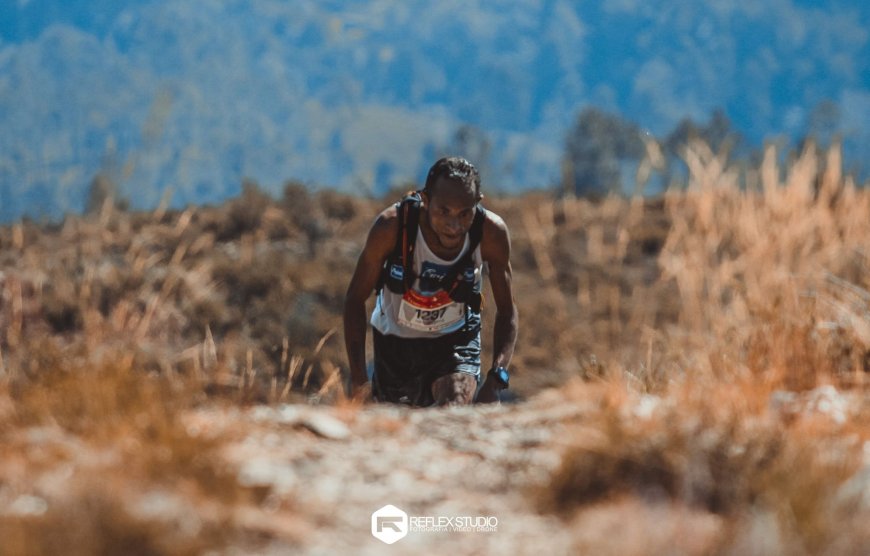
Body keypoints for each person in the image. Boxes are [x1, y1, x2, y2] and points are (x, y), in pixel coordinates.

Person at [343, 157, 518, 406]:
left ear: (478, 203)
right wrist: (359, 381)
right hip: (395, 346)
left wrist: (496, 379)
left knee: (454, 405)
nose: (454, 225)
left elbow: (508, 310)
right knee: (402, 431)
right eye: (443, 212)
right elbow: (354, 299)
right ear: (425, 200)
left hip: (456, 341)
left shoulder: (491, 233)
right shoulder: (391, 227)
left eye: (464, 213)